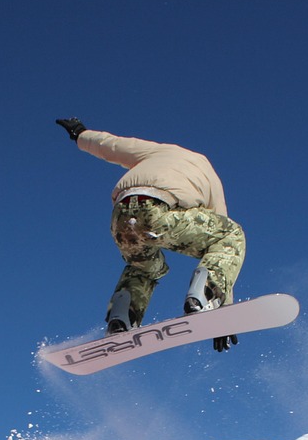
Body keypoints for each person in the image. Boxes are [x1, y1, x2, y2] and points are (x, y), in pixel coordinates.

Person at [56, 118, 245, 351]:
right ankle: (207, 294)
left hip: (121, 217)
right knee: (231, 234)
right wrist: (224, 313)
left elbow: (112, 146)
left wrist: (80, 135)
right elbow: (223, 244)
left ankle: (122, 316)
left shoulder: (158, 152)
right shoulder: (210, 178)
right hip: (157, 211)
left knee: (144, 265)